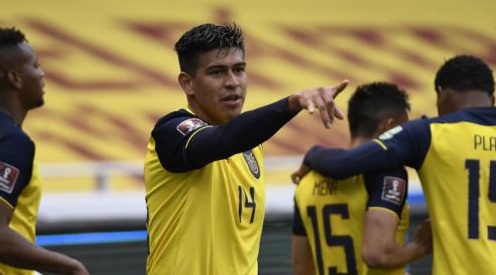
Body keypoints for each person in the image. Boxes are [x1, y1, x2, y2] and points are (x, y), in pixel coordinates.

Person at [144, 23, 349, 275]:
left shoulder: (251, 145)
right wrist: (292, 103)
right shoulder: (171, 131)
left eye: (239, 70)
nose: (232, 82)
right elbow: (222, 140)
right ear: (188, 84)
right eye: (217, 72)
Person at [294, 55, 496, 275]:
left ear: (441, 95)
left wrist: (313, 153)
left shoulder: (428, 133)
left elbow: (344, 164)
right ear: (492, 98)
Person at [0, 28, 88, 275]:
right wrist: (71, 267)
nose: (42, 74)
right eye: (35, 66)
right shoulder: (11, 144)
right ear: (15, 78)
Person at [292, 82, 432, 275]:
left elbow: (301, 269)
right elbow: (379, 255)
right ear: (389, 127)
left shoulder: (307, 179)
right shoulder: (388, 174)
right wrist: (419, 247)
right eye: (403, 130)